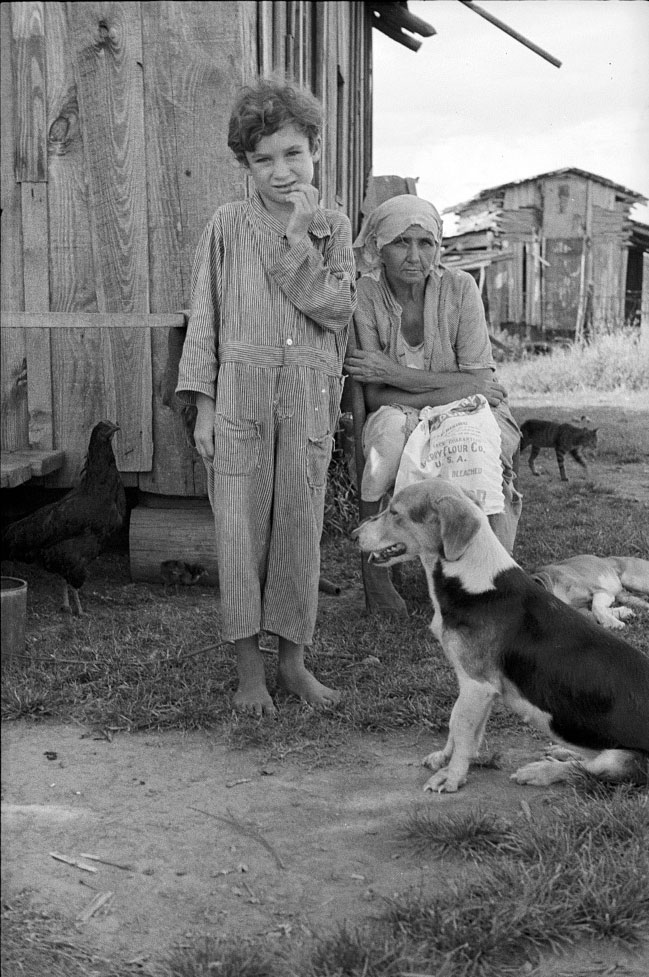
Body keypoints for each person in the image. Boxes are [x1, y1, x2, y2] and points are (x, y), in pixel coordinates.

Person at [176, 76, 356, 715]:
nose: (281, 172)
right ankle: (249, 672)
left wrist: (302, 236)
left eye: (293, 155)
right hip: (240, 402)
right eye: (263, 160)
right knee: (241, 534)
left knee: (298, 534)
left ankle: (294, 665)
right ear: (245, 165)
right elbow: (204, 319)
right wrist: (201, 406)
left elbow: (335, 310)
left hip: (305, 405)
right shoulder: (225, 228)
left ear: (315, 150)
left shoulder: (332, 230)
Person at [344, 195, 521, 617]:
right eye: (401, 243)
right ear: (378, 248)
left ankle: (491, 576)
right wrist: (453, 388)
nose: (415, 256)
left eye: (426, 243)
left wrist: (395, 373)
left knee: (478, 444)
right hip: (402, 410)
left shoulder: (461, 289)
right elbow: (373, 397)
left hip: (470, 408)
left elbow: (481, 385)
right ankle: (377, 576)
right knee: (385, 442)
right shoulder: (364, 295)